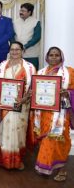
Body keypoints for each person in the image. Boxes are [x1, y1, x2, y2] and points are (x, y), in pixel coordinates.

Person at [30, 47, 73, 181]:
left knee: (59, 140)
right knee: (47, 139)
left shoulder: (69, 72)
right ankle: (47, 165)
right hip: (43, 112)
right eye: (51, 55)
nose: (54, 58)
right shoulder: (41, 72)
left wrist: (67, 93)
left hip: (60, 114)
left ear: (61, 57)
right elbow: (34, 91)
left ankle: (62, 170)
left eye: (57, 55)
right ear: (47, 57)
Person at [0, 41, 36, 170]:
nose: (14, 52)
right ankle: (5, 159)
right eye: (12, 49)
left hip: (22, 105)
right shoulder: (3, 65)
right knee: (5, 131)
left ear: (22, 51)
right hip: (5, 105)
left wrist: (24, 99)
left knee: (19, 132)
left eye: (17, 49)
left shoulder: (29, 67)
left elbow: (32, 87)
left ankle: (17, 160)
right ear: (9, 51)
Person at [13, 3, 41, 70]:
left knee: (31, 73)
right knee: (18, 74)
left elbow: (37, 37)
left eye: (23, 11)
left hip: (31, 54)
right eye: (20, 10)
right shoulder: (15, 22)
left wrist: (25, 46)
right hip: (17, 53)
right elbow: (12, 35)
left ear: (29, 12)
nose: (21, 12)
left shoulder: (36, 22)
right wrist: (15, 46)